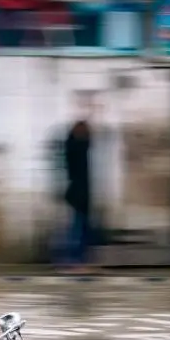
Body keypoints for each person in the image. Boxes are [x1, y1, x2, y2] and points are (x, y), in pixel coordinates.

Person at [60, 93, 95, 271]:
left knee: (78, 228)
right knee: (77, 229)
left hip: (77, 194)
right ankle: (74, 260)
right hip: (80, 195)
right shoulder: (79, 151)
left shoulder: (72, 148)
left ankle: (74, 259)